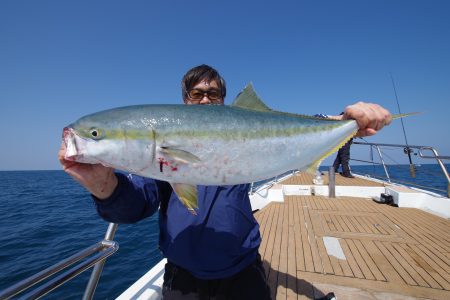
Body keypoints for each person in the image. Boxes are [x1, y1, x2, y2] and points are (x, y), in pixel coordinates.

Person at [58, 64, 392, 299]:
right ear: (185, 101)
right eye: (196, 93)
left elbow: (287, 129)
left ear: (224, 102)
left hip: (242, 271)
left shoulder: (242, 129)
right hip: (182, 278)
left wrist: (348, 120)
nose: (204, 99)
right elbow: (133, 207)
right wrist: (103, 185)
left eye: (213, 94)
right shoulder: (158, 166)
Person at [332, 112, 354, 178]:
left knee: (340, 155)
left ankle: (334, 169)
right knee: (345, 156)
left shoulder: (340, 124)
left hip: (342, 140)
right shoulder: (345, 124)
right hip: (345, 140)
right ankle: (346, 173)